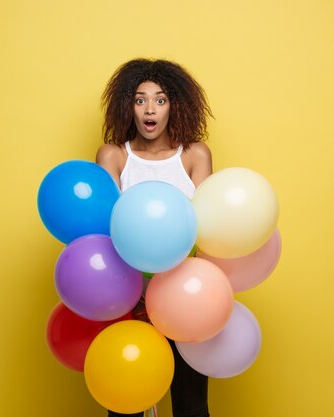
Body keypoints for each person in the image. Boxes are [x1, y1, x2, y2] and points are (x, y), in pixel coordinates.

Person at [96, 58, 214, 417]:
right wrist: (139, 300)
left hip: (184, 299)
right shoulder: (114, 157)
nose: (150, 109)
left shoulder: (194, 156)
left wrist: (193, 296)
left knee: (192, 406)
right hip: (128, 301)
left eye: (160, 100)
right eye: (140, 99)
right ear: (127, 106)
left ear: (174, 106)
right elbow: (106, 232)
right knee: (124, 404)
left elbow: (209, 231)